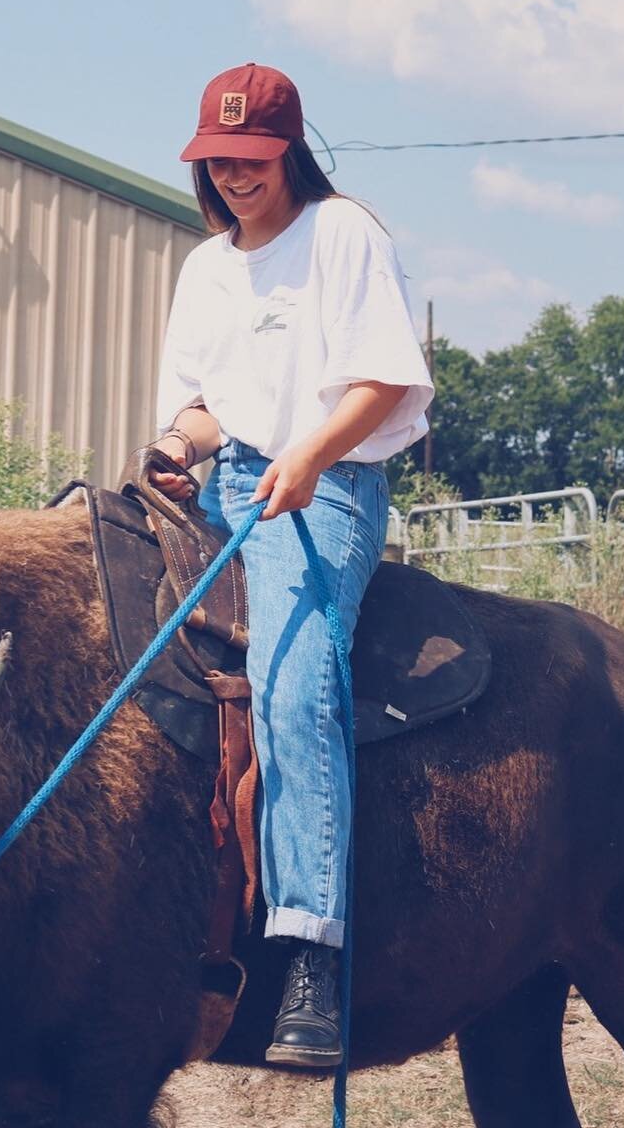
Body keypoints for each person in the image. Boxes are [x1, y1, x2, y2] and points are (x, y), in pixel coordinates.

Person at [150, 63, 433, 1067]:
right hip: (227, 479)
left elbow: (385, 375)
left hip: (328, 482)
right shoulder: (206, 267)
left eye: (253, 159)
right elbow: (202, 404)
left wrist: (308, 455)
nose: (233, 176)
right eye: (217, 160)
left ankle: (314, 947)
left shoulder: (342, 233)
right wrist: (176, 453)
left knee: (293, 683)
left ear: (291, 150)